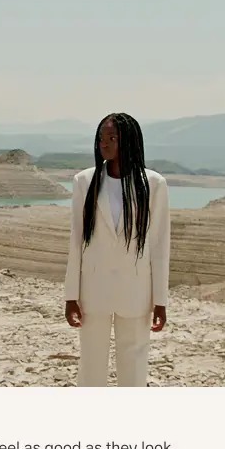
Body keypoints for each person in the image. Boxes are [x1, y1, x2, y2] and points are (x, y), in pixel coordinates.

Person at [63, 113, 170, 387]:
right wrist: (70, 295)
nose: (104, 144)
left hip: (135, 292)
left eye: (112, 138)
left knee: (134, 366)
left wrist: (161, 300)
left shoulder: (153, 184)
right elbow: (76, 240)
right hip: (93, 291)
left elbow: (158, 245)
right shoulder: (84, 182)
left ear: (130, 142)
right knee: (91, 366)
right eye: (101, 138)